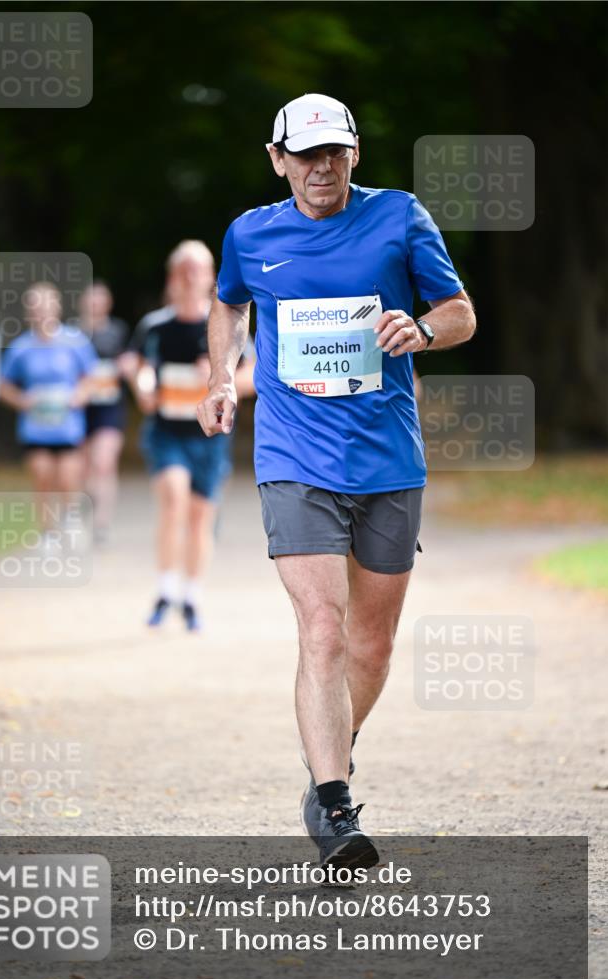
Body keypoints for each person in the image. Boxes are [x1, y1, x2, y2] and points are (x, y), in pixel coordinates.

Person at [197, 94, 476, 873]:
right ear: (277, 158)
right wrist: (221, 377)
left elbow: (458, 311)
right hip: (294, 456)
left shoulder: (399, 218)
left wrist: (420, 329)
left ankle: (332, 749)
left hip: (387, 458)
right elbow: (227, 307)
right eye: (305, 154)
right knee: (321, 625)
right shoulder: (250, 234)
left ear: (354, 155)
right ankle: (333, 803)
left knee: (371, 641)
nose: (321, 168)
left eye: (335, 153)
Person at [131, 240, 254, 632]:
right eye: (182, 269)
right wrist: (143, 386)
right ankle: (166, 589)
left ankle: (191, 597)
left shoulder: (223, 325)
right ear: (172, 278)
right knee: (173, 500)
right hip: (167, 432)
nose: (189, 276)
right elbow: (138, 366)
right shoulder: (155, 325)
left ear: (210, 278)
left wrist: (223, 379)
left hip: (210, 437)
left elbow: (254, 374)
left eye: (197, 269)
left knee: (200, 518)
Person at [0, 281, 98, 537]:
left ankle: (71, 514)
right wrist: (22, 400)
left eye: (46, 306)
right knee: (42, 476)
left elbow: (91, 378)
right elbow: (3, 386)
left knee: (68, 478)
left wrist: (80, 395)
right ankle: (47, 532)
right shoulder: (20, 347)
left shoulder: (75, 341)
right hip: (36, 426)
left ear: (57, 308)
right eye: (35, 308)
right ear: (28, 312)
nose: (41, 312)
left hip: (67, 425)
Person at [77, 282, 131, 543]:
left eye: (100, 299)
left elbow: (131, 360)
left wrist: (125, 367)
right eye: (91, 299)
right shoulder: (73, 333)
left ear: (108, 303)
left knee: (104, 462)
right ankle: (81, 506)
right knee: (82, 466)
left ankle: (101, 524)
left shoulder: (118, 330)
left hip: (109, 406)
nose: (95, 304)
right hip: (79, 408)